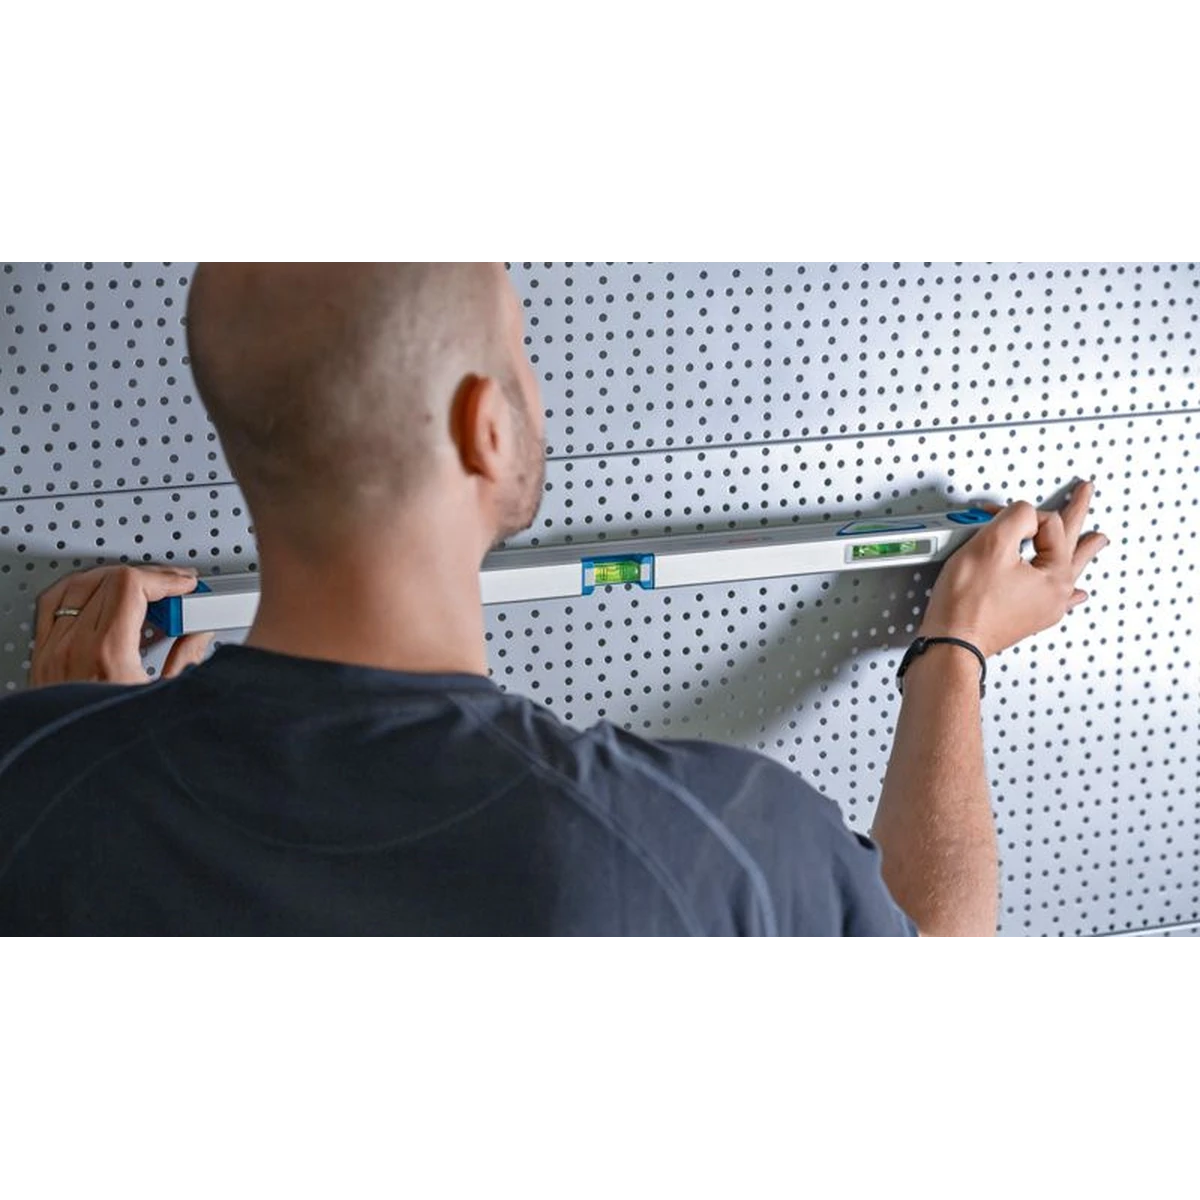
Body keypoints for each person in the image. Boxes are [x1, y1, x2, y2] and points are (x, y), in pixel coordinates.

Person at [0, 261, 1108, 941]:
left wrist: (77, 737)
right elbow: (940, 953)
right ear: (487, 428)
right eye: (523, 350)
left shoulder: (33, 784)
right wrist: (956, 647)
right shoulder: (710, 844)